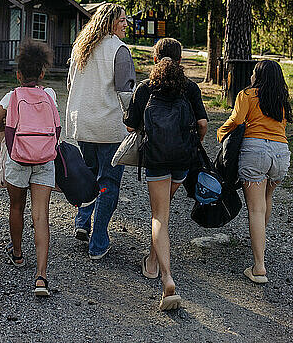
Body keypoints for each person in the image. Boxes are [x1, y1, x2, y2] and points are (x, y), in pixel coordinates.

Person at [123, 38, 208, 311]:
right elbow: (203, 123)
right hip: (182, 160)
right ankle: (151, 261)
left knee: (159, 216)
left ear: (155, 58)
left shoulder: (145, 88)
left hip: (157, 159)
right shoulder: (190, 87)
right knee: (165, 212)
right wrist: (195, 143)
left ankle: (167, 277)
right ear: (180, 61)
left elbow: (130, 127)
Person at [66, 2, 136, 260]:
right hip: (109, 128)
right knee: (108, 184)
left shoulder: (80, 48)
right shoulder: (119, 50)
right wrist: (134, 120)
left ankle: (82, 221)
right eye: (121, 21)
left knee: (88, 176)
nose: (126, 24)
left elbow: (71, 84)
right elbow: (126, 93)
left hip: (83, 125)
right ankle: (98, 242)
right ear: (109, 23)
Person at [0, 38, 57, 297]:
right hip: (44, 159)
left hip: (17, 158)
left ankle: (17, 254)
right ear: (42, 73)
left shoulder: (11, 96)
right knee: (41, 216)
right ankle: (41, 276)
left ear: (18, 74)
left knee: (16, 206)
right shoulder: (49, 94)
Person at [217, 59, 291, 284]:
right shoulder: (281, 100)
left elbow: (236, 120)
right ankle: (261, 242)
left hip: (255, 152)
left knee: (256, 210)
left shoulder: (247, 95)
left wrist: (220, 133)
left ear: (257, 76)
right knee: (267, 199)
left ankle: (259, 266)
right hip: (281, 153)